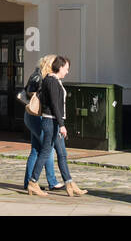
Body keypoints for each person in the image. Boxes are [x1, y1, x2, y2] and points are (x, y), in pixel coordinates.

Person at [35, 56, 87, 196]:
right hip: (51, 122)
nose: (67, 72)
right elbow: (54, 105)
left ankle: (69, 183)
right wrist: (62, 125)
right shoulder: (51, 81)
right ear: (60, 67)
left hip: (55, 122)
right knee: (46, 152)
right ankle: (33, 182)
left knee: (62, 154)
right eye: (66, 68)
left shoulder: (55, 81)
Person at [21, 55, 58, 196]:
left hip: (33, 116)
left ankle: (28, 183)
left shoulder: (39, 75)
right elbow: (31, 93)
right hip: (35, 115)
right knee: (47, 148)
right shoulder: (39, 76)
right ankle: (52, 182)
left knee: (36, 150)